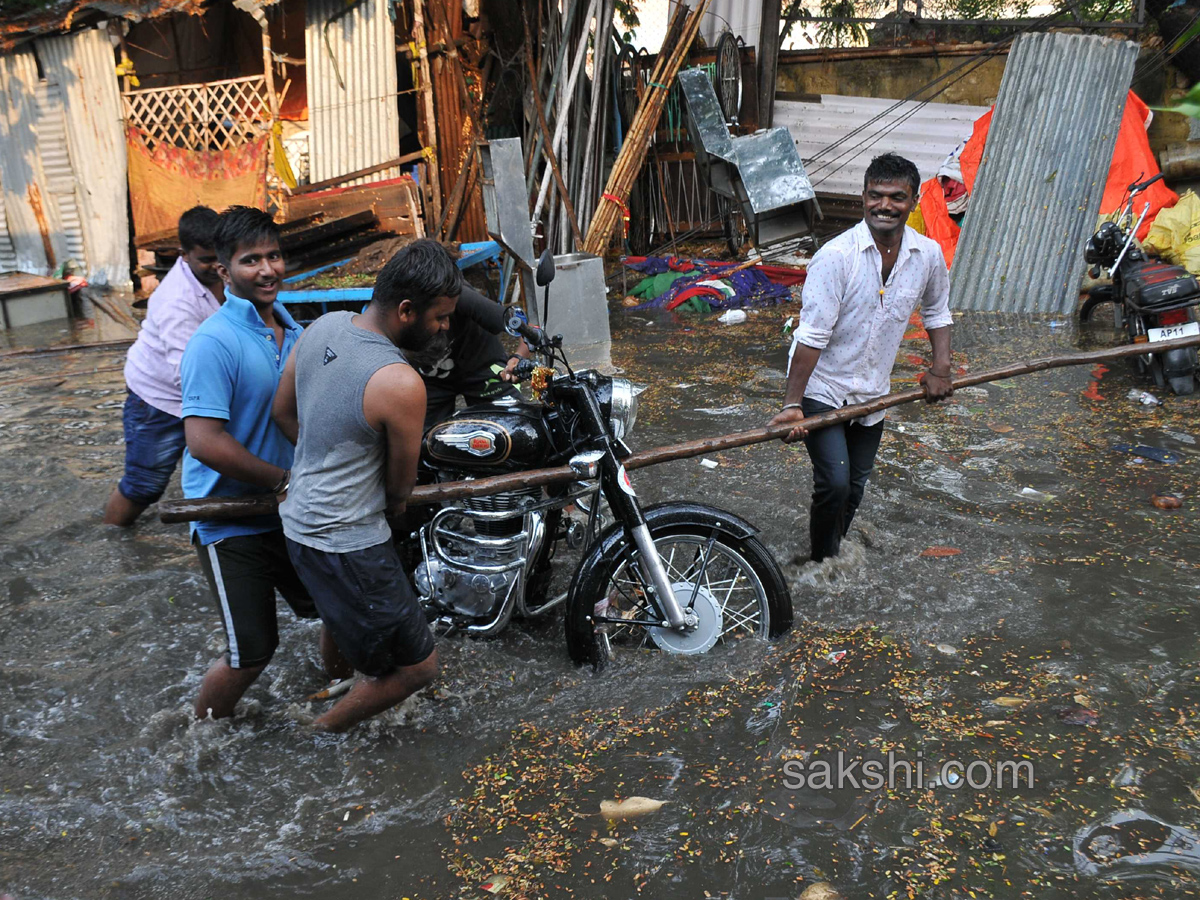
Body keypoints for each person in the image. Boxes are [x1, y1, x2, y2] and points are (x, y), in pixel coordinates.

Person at [272, 239, 460, 732]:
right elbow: (399, 490)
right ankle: (320, 734)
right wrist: (384, 498)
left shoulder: (323, 325)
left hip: (298, 521)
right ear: (405, 310)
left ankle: (336, 686)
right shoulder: (399, 382)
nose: (444, 329)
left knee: (341, 619)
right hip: (347, 541)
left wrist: (328, 458)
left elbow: (283, 413)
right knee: (418, 668)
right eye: (439, 318)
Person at [180, 206, 346, 720]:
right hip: (229, 518)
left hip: (292, 508)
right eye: (251, 260)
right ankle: (198, 740)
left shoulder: (299, 335)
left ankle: (339, 696)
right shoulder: (214, 341)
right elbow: (203, 440)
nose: (268, 269)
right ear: (223, 271)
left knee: (341, 613)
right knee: (250, 653)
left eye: (273, 255)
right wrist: (282, 479)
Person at [769, 153, 954, 562]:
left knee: (854, 487)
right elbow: (811, 336)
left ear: (914, 199)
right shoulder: (836, 257)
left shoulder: (927, 255)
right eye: (876, 196)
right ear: (863, 197)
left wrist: (941, 367)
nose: (884, 206)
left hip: (873, 394)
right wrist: (792, 405)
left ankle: (830, 554)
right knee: (834, 483)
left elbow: (937, 312)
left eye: (896, 197)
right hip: (824, 387)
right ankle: (819, 563)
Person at [104, 206, 225, 526]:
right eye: (205, 259)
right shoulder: (176, 300)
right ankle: (112, 536)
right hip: (159, 397)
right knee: (144, 485)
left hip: (204, 387)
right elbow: (186, 373)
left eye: (220, 256)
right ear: (183, 254)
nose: (215, 265)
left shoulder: (226, 272)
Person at [407, 281, 527, 430]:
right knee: (421, 439)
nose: (444, 325)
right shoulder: (391, 317)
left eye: (445, 317)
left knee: (517, 427)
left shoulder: (460, 297)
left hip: (483, 364)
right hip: (430, 378)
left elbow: (527, 329)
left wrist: (518, 359)